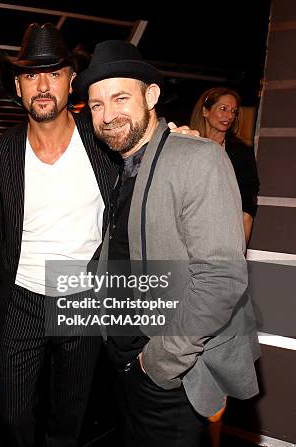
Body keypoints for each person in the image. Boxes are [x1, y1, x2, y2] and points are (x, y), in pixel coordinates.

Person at [74, 39, 260, 447]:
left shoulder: (199, 159)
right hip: (124, 359)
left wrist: (160, 361)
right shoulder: (123, 162)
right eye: (97, 105)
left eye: (120, 98)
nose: (107, 116)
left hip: (167, 370)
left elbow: (221, 281)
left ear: (151, 96)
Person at [0, 23, 120, 447]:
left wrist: (180, 138)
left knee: (70, 414)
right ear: (18, 86)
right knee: (12, 414)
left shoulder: (103, 143)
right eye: (30, 75)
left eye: (54, 73)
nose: (42, 85)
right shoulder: (1, 152)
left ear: (71, 79)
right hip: (20, 297)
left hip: (83, 293)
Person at [190, 87, 260, 245]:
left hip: (222, 237)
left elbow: (247, 207)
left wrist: (240, 251)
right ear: (205, 111)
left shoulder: (241, 153)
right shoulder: (184, 145)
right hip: (186, 234)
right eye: (224, 109)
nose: (229, 116)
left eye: (233, 111)